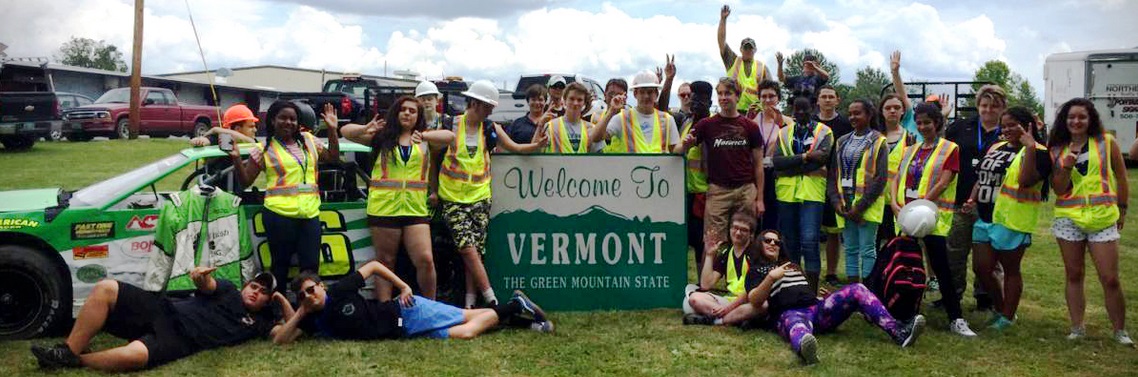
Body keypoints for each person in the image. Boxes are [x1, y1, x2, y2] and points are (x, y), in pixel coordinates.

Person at [31, 270, 286, 372]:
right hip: (164, 311)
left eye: (264, 292)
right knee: (106, 288)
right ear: (244, 286)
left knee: (135, 356)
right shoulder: (228, 290)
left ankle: (74, 361)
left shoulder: (260, 324)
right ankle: (68, 350)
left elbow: (286, 334)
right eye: (253, 286)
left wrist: (283, 301)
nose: (256, 292)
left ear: (267, 301)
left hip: (182, 339)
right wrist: (200, 277)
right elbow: (207, 284)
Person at [439, 80, 547, 309]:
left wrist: (537, 145)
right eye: (488, 106)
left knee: (475, 251)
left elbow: (515, 148)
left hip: (480, 197)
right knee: (466, 247)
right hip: (452, 198)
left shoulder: (490, 128)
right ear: (476, 103)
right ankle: (492, 299)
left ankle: (470, 303)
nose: (491, 111)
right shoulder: (450, 125)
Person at [335, 97, 455, 301]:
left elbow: (450, 136)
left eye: (412, 111)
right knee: (385, 261)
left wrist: (424, 135)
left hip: (415, 210)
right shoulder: (381, 137)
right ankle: (385, 307)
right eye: (403, 110)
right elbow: (345, 132)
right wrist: (366, 127)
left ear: (418, 117)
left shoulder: (425, 140)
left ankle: (431, 307)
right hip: (384, 209)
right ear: (396, 113)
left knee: (425, 259)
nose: (407, 113)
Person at [744, 229, 925, 365]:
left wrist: (828, 300)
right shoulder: (756, 271)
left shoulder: (792, 266)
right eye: (768, 240)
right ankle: (806, 350)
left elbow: (801, 292)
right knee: (797, 325)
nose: (773, 244)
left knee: (857, 289)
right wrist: (770, 278)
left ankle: (899, 333)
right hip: (788, 313)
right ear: (759, 243)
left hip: (816, 308)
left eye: (777, 242)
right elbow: (755, 300)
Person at [273, 261, 552, 344]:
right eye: (303, 296)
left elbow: (372, 266)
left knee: (467, 327)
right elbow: (280, 342)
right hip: (404, 330)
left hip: (405, 313)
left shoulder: (339, 291)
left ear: (321, 286)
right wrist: (300, 312)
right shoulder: (313, 319)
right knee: (468, 319)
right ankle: (520, 320)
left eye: (311, 290)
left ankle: (515, 306)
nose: (310, 296)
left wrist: (403, 285)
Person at [230, 100, 340, 293]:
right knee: (280, 268)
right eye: (283, 118)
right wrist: (237, 159)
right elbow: (246, 180)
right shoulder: (263, 148)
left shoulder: (309, 140)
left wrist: (332, 130)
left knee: (311, 269)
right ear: (273, 120)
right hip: (279, 215)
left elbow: (333, 157)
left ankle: (307, 314)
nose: (288, 122)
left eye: (293, 119)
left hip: (310, 214)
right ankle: (279, 313)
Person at [1046, 98, 1131, 345]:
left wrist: (1122, 209)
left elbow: (1122, 177)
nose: (1076, 121)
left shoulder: (1107, 142)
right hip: (1069, 218)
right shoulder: (1057, 148)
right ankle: (1077, 327)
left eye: (1082, 117)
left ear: (1090, 119)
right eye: (1071, 117)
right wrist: (1066, 167)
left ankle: (1120, 331)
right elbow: (1059, 189)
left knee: (1110, 278)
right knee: (1074, 274)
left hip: (1102, 217)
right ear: (1065, 120)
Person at [888, 103, 976, 337]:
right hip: (905, 216)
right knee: (906, 266)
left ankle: (956, 318)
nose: (923, 126)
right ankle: (904, 313)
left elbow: (944, 182)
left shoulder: (950, 149)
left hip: (930, 217)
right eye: (919, 122)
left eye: (927, 122)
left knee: (940, 269)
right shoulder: (910, 149)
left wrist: (918, 206)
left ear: (937, 123)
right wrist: (894, 204)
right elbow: (896, 178)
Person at [963, 106, 1051, 330]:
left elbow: (1026, 180)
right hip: (984, 216)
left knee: (1011, 269)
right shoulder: (997, 146)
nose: (1007, 129)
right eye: (1004, 126)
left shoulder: (1040, 151)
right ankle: (1001, 308)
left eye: (1013, 125)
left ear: (1028, 125)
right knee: (981, 268)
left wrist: (1029, 147)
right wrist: (972, 198)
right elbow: (983, 176)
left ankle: (1008, 316)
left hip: (1012, 219)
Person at [674, 77, 764, 274]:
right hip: (717, 191)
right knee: (712, 240)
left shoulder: (750, 127)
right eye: (721, 94)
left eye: (728, 94)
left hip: (745, 189)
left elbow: (758, 165)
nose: (724, 98)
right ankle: (706, 285)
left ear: (737, 96)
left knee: (745, 238)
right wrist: (686, 143)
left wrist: (760, 199)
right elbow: (679, 149)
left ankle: (744, 282)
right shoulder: (707, 124)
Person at [945, 84, 1008, 312]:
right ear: (977, 105)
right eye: (984, 104)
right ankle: (952, 295)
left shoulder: (1008, 131)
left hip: (994, 202)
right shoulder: (962, 127)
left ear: (1003, 108)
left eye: (994, 106)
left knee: (990, 254)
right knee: (954, 250)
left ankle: (987, 297)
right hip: (961, 198)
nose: (988, 109)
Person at [772, 96, 834, 294]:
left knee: (809, 240)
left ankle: (811, 292)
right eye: (796, 109)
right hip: (787, 194)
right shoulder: (783, 132)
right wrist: (805, 157)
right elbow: (777, 162)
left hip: (812, 193)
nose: (800, 113)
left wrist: (789, 166)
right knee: (790, 242)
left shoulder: (824, 131)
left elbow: (822, 160)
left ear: (813, 108)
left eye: (804, 109)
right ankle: (794, 289)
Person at [827, 99, 888, 284]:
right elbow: (833, 174)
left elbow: (881, 178)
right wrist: (836, 201)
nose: (852, 117)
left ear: (869, 115)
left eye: (857, 113)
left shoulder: (879, 141)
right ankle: (854, 290)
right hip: (845, 204)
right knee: (850, 249)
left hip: (866, 205)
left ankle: (868, 291)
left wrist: (859, 207)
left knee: (867, 249)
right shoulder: (842, 141)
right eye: (850, 113)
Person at [682, 212, 765, 326]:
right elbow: (706, 285)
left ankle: (718, 320)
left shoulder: (756, 254)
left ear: (751, 234)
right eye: (735, 228)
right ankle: (736, 319)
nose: (738, 233)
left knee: (762, 306)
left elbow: (752, 291)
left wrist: (728, 308)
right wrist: (710, 255)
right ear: (729, 230)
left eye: (743, 230)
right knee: (693, 299)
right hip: (730, 300)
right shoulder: (727, 252)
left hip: (749, 300)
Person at [815, 85, 852, 286]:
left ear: (837, 100)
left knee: (833, 231)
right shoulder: (811, 123)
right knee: (810, 230)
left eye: (831, 97)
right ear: (818, 100)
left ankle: (831, 272)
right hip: (813, 181)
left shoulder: (845, 124)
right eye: (824, 97)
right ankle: (808, 270)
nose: (827, 100)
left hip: (837, 183)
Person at [590, 71, 680, 154]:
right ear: (635, 94)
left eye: (650, 92)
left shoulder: (668, 119)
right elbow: (596, 138)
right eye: (642, 92)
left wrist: (685, 145)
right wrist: (611, 111)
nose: (646, 96)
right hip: (629, 170)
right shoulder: (622, 118)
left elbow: (675, 150)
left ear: (656, 94)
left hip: (657, 170)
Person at [677, 81, 714, 275]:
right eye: (692, 97)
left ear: (709, 101)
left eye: (700, 98)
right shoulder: (685, 122)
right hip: (684, 190)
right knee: (684, 237)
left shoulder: (713, 125)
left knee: (702, 240)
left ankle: (703, 283)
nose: (694, 101)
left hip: (704, 192)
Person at [749, 80, 792, 231]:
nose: (767, 100)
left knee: (774, 216)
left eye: (771, 96)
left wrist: (781, 125)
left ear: (778, 98)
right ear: (759, 98)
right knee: (754, 214)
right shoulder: (752, 122)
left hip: (777, 174)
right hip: (756, 173)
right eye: (763, 96)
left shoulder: (788, 122)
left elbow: (791, 149)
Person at [717, 4, 771, 112]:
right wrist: (723, 20)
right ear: (740, 49)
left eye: (750, 48)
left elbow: (771, 90)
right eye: (745, 48)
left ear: (755, 50)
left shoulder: (762, 67)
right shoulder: (732, 60)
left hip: (755, 112)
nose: (748, 50)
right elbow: (721, 41)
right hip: (734, 110)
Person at [538, 82, 605, 153]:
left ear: (584, 103)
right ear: (564, 100)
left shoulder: (591, 128)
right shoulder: (550, 126)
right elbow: (536, 152)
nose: (575, 103)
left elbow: (599, 157)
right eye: (571, 99)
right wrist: (540, 125)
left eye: (579, 100)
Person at [189, 104, 259, 147]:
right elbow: (199, 141)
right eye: (251, 127)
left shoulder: (253, 141)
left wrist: (217, 130)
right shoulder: (223, 138)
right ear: (237, 129)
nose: (255, 130)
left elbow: (251, 142)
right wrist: (198, 141)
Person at [591, 78, 631, 154]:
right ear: (605, 95)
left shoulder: (630, 118)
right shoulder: (596, 117)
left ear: (625, 97)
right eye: (611, 94)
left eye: (619, 94)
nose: (614, 98)